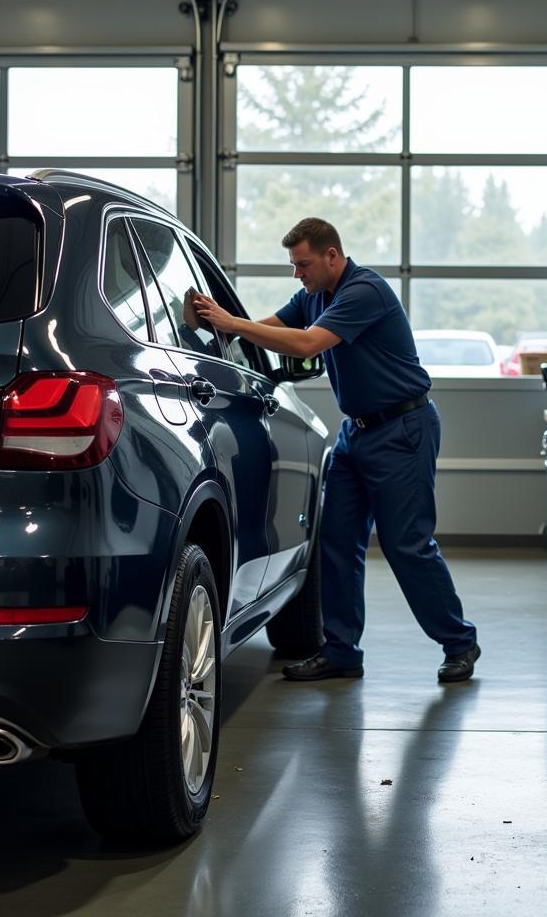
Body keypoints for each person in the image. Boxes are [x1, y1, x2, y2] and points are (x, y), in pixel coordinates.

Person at [192, 217, 479, 683]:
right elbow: (272, 327)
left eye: (302, 263)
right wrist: (218, 332)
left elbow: (307, 342)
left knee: (407, 545)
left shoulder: (365, 291)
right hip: (358, 434)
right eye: (293, 265)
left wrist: (232, 323)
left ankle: (459, 643)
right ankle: (342, 650)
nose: (297, 273)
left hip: (402, 429)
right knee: (336, 541)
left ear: (331, 256)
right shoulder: (314, 295)